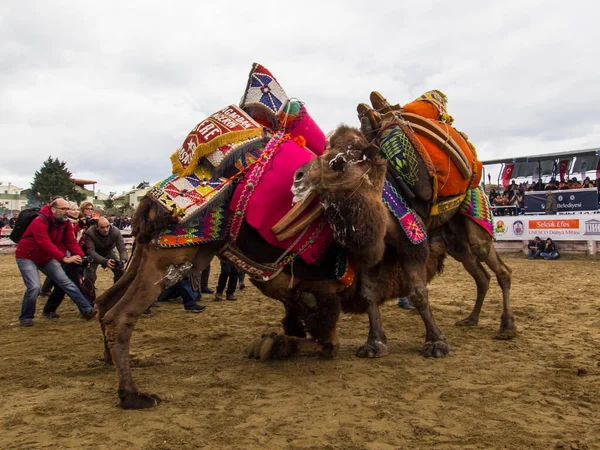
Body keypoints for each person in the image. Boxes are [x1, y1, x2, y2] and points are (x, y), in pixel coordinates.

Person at [14, 197, 97, 326]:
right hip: (27, 256)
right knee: (34, 287)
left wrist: (81, 256)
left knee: (66, 282)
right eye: (63, 209)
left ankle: (87, 309)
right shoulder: (39, 221)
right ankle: (26, 317)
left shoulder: (65, 223)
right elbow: (45, 243)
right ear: (53, 209)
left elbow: (70, 241)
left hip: (46, 257)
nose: (66, 211)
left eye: (67, 209)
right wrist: (63, 258)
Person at [84, 216, 128, 290]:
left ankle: (116, 290)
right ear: (97, 227)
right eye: (102, 227)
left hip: (108, 252)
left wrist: (123, 260)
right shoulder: (90, 233)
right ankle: (88, 293)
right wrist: (104, 261)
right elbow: (91, 251)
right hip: (94, 254)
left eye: (107, 226)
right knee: (90, 274)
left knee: (120, 271)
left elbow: (122, 248)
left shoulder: (116, 231)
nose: (106, 230)